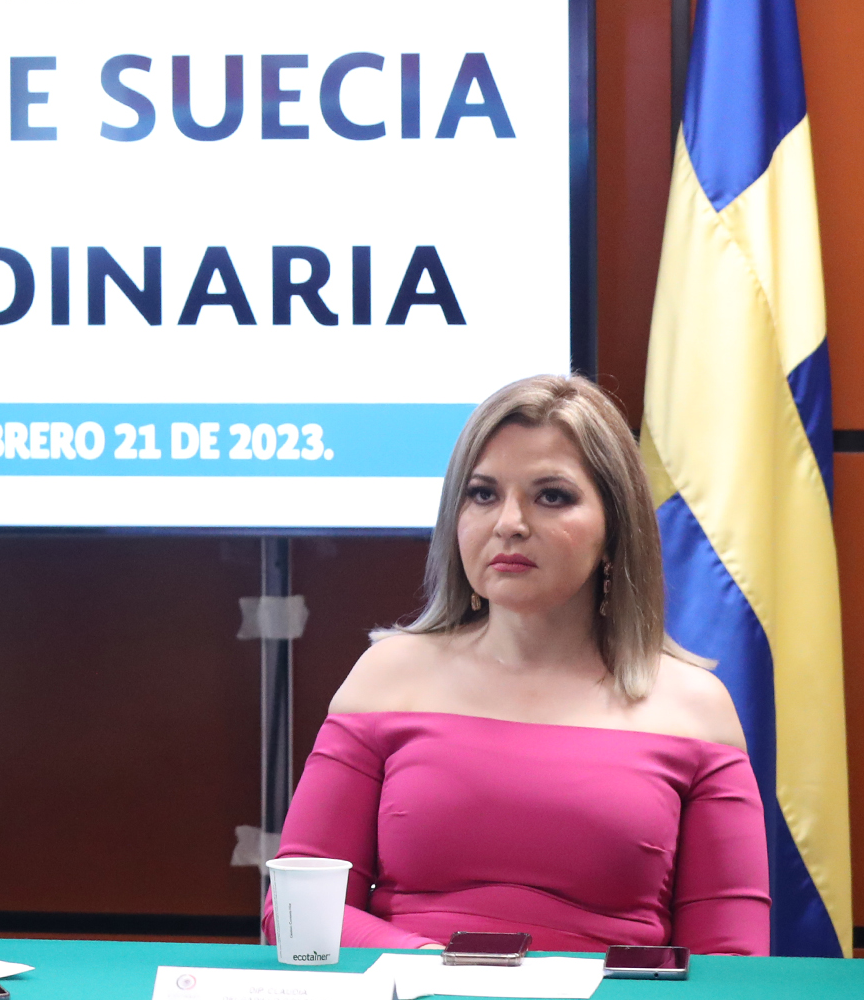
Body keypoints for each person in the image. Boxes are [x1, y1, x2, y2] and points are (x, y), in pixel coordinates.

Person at [271, 374, 770, 955]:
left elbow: (732, 964)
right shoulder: (386, 676)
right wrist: (442, 968)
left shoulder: (696, 709)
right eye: (483, 494)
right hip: (415, 996)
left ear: (614, 529)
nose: (509, 522)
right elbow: (296, 913)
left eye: (551, 496)